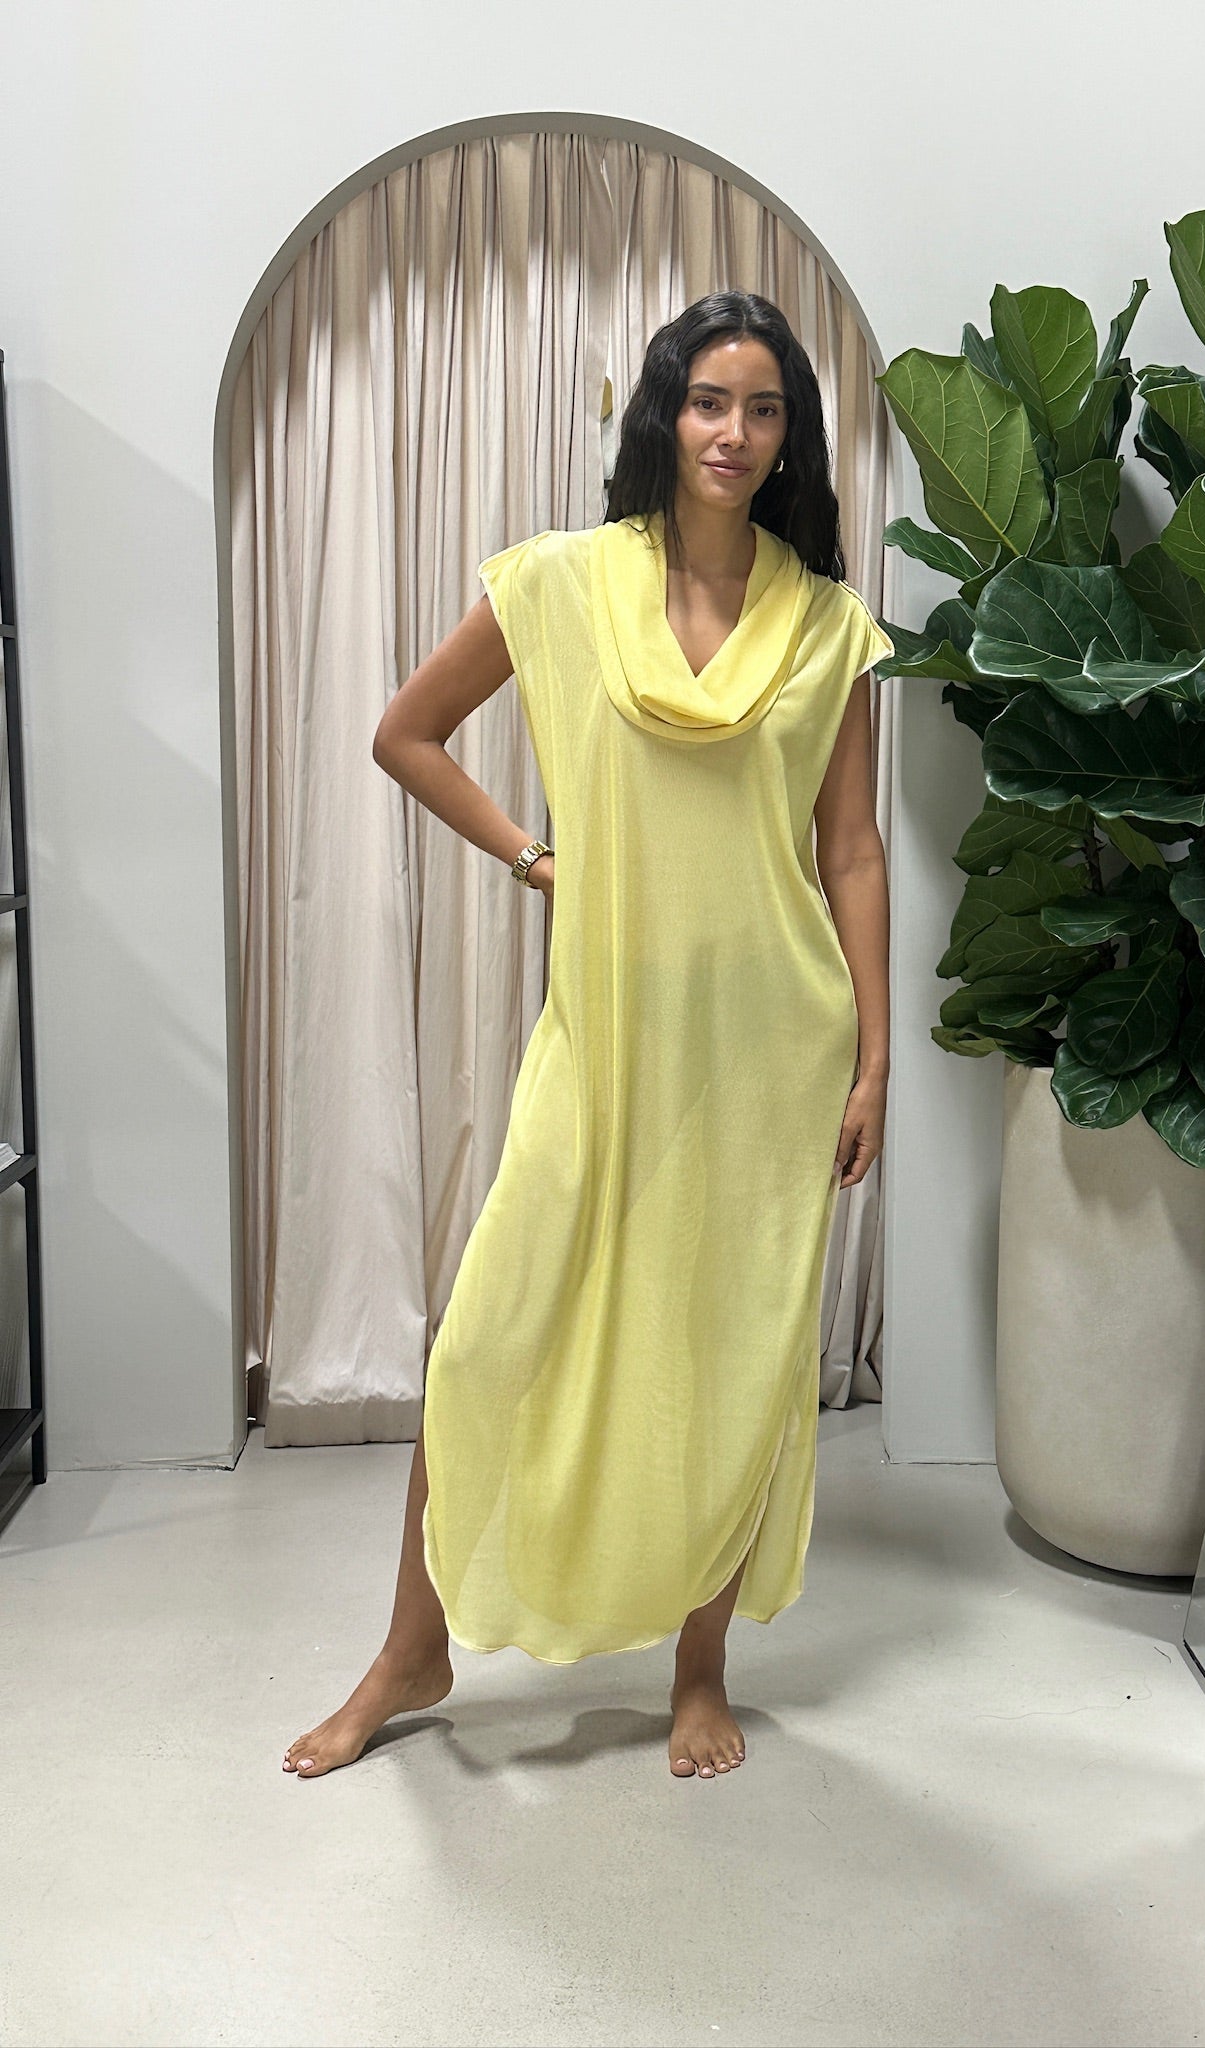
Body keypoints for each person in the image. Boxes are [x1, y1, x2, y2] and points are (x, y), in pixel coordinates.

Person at [283, 290, 894, 1785]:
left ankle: (700, 1668)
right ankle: (411, 1650)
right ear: (664, 413)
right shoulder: (563, 581)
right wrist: (531, 857)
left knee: (733, 1354)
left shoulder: (828, 625)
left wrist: (874, 1060)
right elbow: (405, 733)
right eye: (709, 401)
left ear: (792, 436)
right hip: (607, 1037)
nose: (734, 433)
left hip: (771, 1046)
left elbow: (853, 851)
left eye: (764, 409)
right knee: (487, 1338)